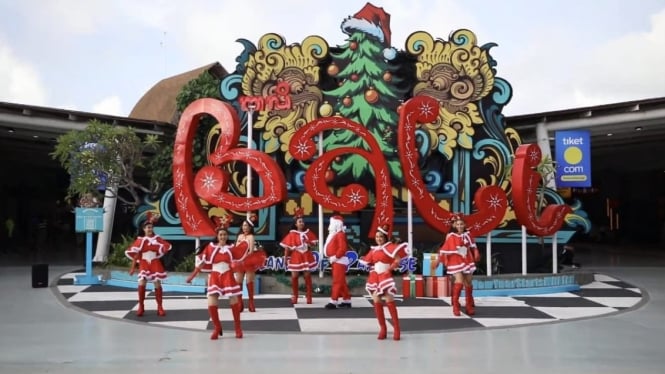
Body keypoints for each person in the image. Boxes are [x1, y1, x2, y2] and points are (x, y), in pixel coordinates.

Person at [186, 221, 244, 339]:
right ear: (217, 236)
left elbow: (239, 263)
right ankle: (217, 327)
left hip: (228, 275)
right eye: (220, 235)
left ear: (227, 236)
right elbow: (202, 264)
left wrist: (238, 273)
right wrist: (192, 276)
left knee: (233, 299)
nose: (222, 237)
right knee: (212, 301)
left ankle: (238, 328)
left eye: (224, 234)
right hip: (215, 276)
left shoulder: (232, 248)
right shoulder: (210, 247)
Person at [359, 224, 410, 341]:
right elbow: (367, 261)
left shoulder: (390, 247)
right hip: (375, 277)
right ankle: (383, 329)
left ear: (385, 237)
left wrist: (389, 269)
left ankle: (397, 329)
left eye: (381, 236)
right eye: (377, 237)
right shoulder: (373, 250)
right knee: (376, 301)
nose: (378, 239)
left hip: (385, 277)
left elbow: (397, 259)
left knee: (389, 301)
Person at [125, 212, 172, 317]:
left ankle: (160, 307)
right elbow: (136, 255)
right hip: (144, 263)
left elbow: (166, 246)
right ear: (143, 229)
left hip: (155, 262)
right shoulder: (140, 240)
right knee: (142, 283)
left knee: (157, 283)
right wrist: (132, 268)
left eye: (151, 227)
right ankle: (141, 306)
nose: (149, 229)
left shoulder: (157, 239)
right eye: (147, 228)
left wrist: (162, 247)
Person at [434, 216, 480, 316]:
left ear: (464, 225)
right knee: (459, 281)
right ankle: (455, 305)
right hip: (455, 260)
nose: (459, 226)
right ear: (454, 225)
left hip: (467, 259)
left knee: (468, 283)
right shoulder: (450, 235)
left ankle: (469, 306)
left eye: (461, 224)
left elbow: (473, 245)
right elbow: (444, 248)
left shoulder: (468, 235)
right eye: (457, 224)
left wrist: (476, 252)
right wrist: (438, 260)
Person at [279, 207, 319, 304]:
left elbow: (314, 244)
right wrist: (285, 258)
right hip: (296, 256)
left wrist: (309, 242)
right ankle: (295, 296)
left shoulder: (308, 233)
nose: (301, 223)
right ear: (296, 224)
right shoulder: (292, 234)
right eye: (299, 222)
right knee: (294, 276)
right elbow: (287, 247)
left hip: (306, 255)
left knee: (307, 275)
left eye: (302, 222)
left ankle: (309, 296)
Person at [233, 213, 266, 312]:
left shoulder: (251, 237)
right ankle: (240, 302)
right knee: (238, 281)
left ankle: (251, 302)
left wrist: (243, 256)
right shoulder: (239, 236)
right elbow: (236, 248)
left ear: (250, 227)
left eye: (246, 226)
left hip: (249, 260)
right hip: (239, 262)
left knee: (249, 282)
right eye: (243, 226)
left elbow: (251, 251)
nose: (245, 227)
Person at [323, 215, 352, 309]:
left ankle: (333, 301)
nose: (329, 226)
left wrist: (335, 257)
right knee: (341, 281)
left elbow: (342, 248)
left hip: (339, 260)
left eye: (331, 223)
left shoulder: (340, 235)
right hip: (336, 260)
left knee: (337, 281)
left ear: (336, 224)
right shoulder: (336, 234)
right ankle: (347, 300)